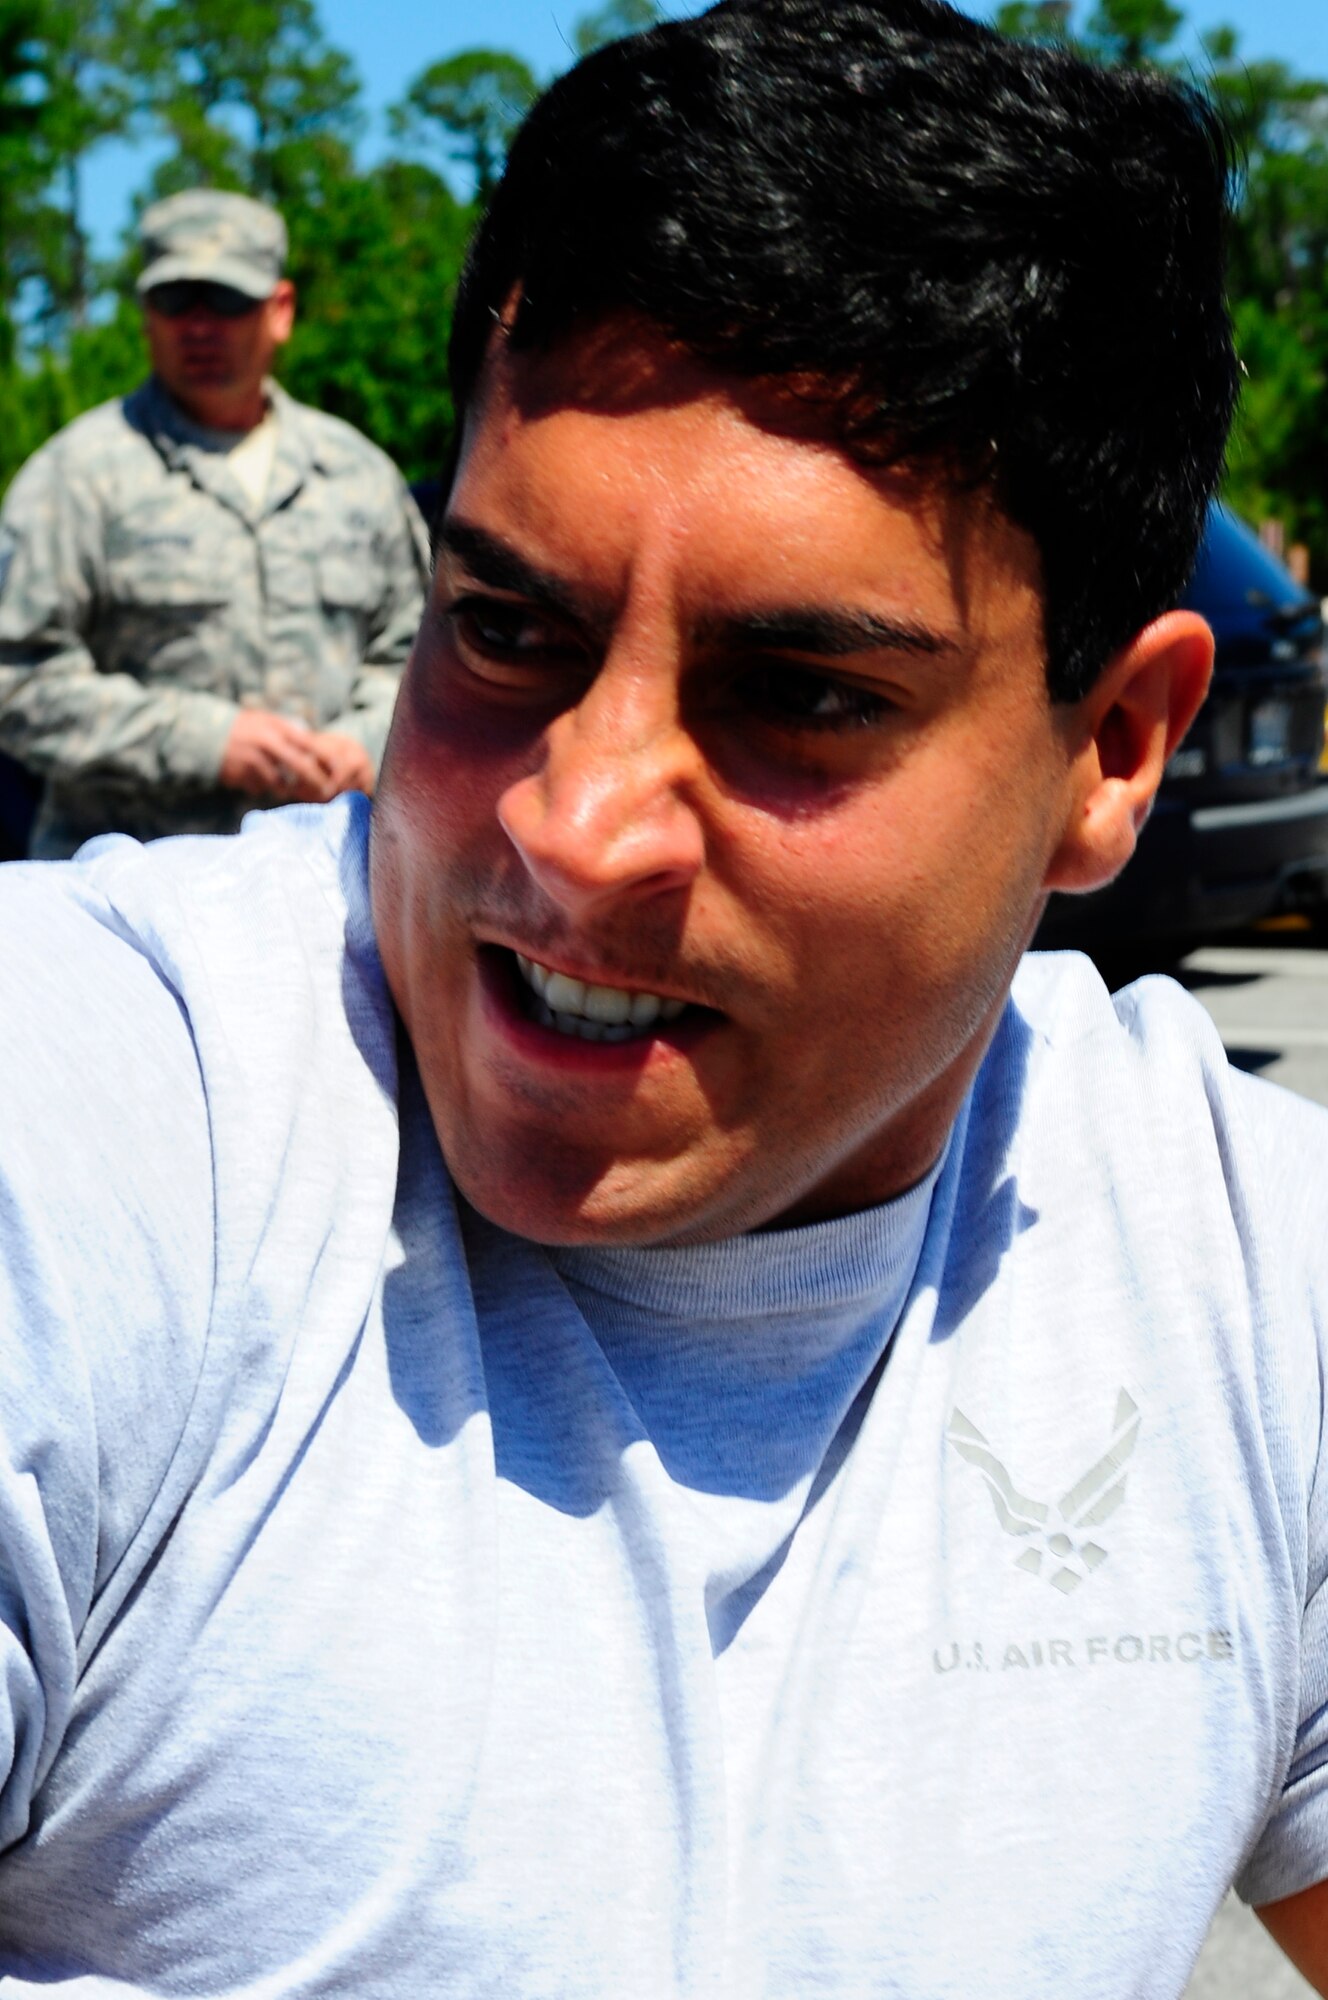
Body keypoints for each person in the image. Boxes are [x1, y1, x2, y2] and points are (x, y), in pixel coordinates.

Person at [0, 2, 1326, 1992]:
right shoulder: (105, 1112)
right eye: (508, 629)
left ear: (1113, 751)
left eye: (798, 694)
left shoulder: (1237, 1275)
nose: (580, 824)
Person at [0, 189, 430, 857]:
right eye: (176, 301)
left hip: (324, 888)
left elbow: (421, 655)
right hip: (124, 900)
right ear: (145, 315)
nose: (200, 326)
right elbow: (14, 678)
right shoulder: (77, 476)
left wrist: (367, 740)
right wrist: (201, 739)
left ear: (280, 310)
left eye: (228, 301)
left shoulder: (359, 475)